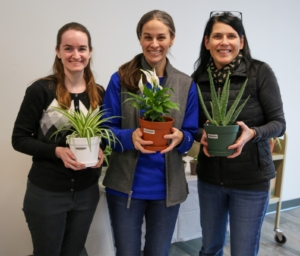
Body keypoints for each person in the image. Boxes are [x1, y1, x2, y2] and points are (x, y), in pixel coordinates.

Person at [102, 10, 199, 256]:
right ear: (140, 39)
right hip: (125, 186)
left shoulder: (185, 83)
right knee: (126, 252)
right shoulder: (121, 79)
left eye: (161, 37)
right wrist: (129, 137)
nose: (154, 44)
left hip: (167, 189)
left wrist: (181, 138)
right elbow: (105, 130)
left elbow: (190, 133)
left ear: (172, 39)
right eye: (147, 37)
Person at [192, 11, 286, 256]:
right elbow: (192, 125)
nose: (224, 42)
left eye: (231, 36)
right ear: (207, 42)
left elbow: (279, 123)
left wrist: (252, 133)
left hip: (251, 180)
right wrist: (200, 134)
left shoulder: (259, 73)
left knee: (243, 251)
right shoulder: (198, 79)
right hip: (210, 178)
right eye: (217, 36)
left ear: (241, 42)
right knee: (209, 248)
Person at [12, 22, 105, 256]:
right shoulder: (41, 90)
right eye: (68, 48)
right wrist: (58, 151)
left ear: (90, 52)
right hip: (47, 193)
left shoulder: (99, 94)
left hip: (86, 193)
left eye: (82, 48)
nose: (76, 55)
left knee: (74, 252)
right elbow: (19, 138)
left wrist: (102, 153)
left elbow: (102, 137)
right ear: (58, 51)